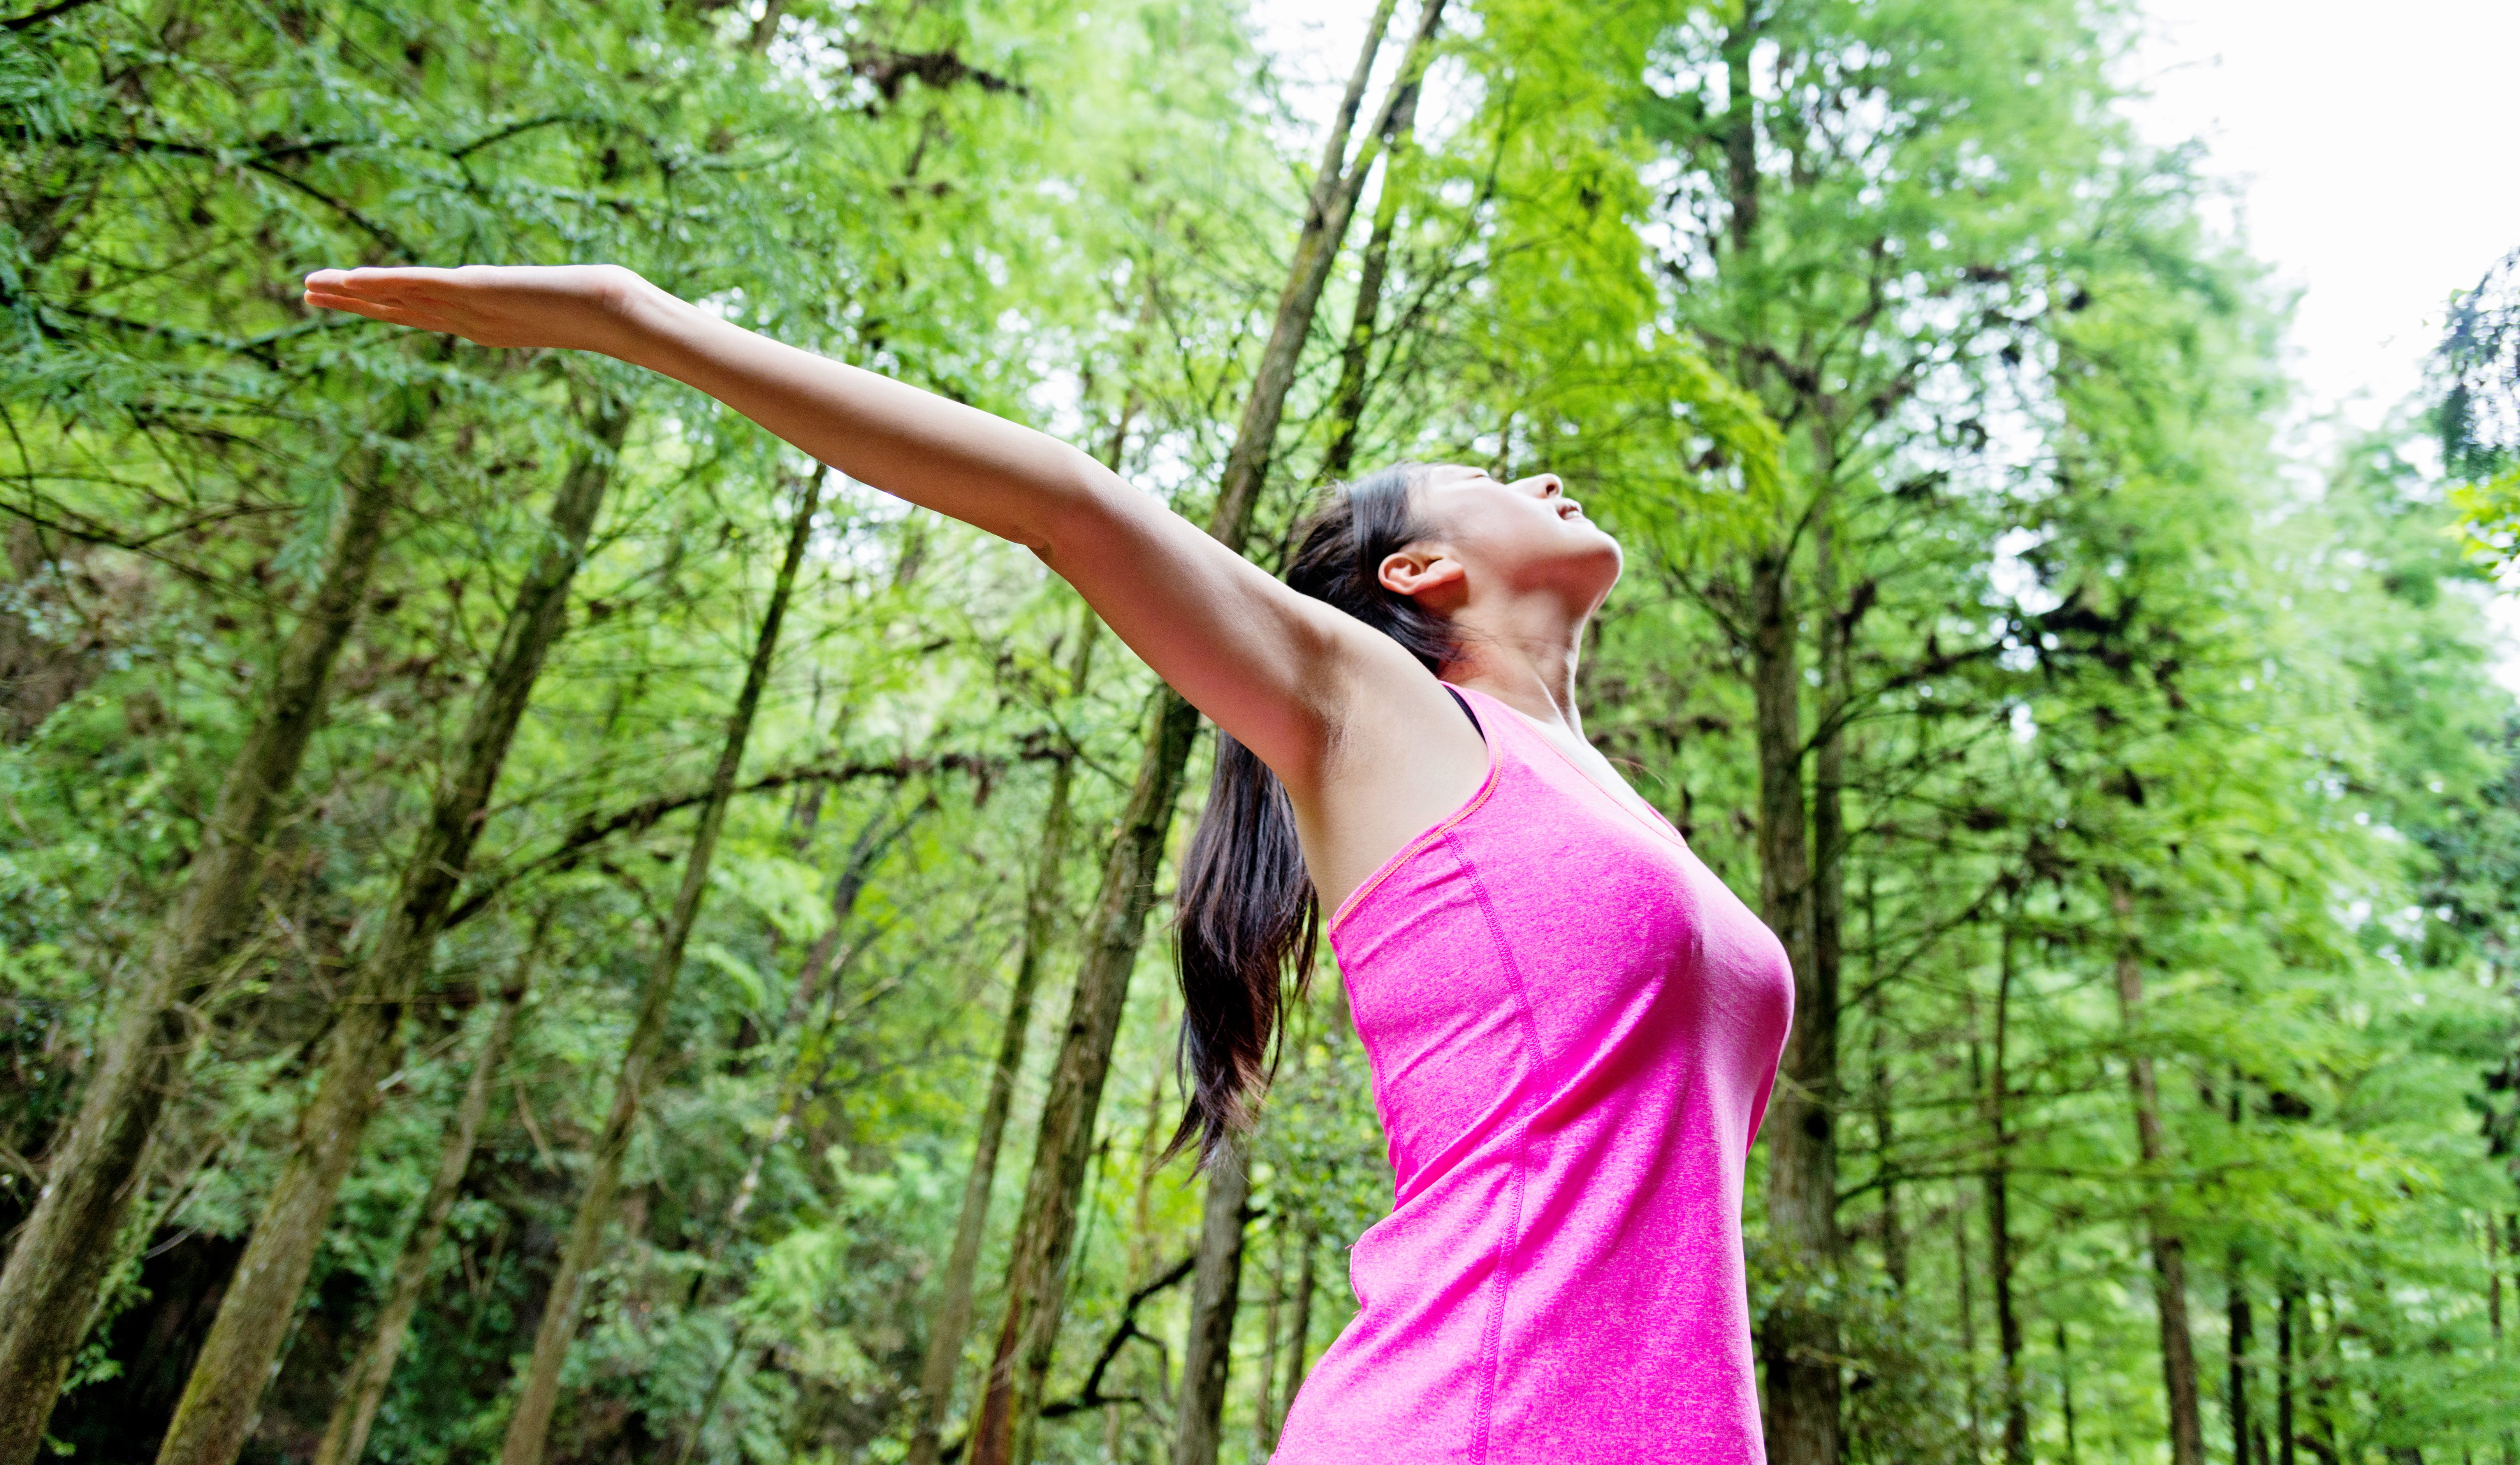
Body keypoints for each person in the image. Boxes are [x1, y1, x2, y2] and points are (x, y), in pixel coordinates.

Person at [302, 262, 1797, 1463]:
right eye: (1486, 472)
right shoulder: (1383, 711)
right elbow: (1062, 503)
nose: (1541, 472)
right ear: (1417, 573)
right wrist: (644, 321)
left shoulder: (1610, 805)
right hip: (1473, 1421)